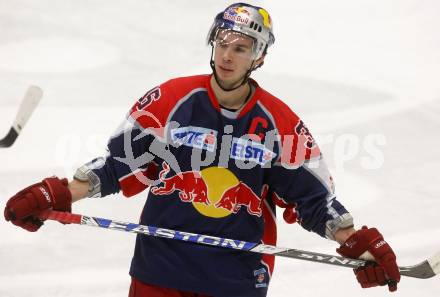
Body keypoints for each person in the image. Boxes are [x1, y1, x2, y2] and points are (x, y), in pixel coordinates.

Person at [3, 3, 400, 297]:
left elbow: (312, 199)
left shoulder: (279, 123)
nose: (228, 55)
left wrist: (354, 241)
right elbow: (117, 166)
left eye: (242, 47)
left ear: (259, 56)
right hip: (159, 271)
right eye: (223, 43)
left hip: (235, 279)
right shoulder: (170, 101)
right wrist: (54, 193)